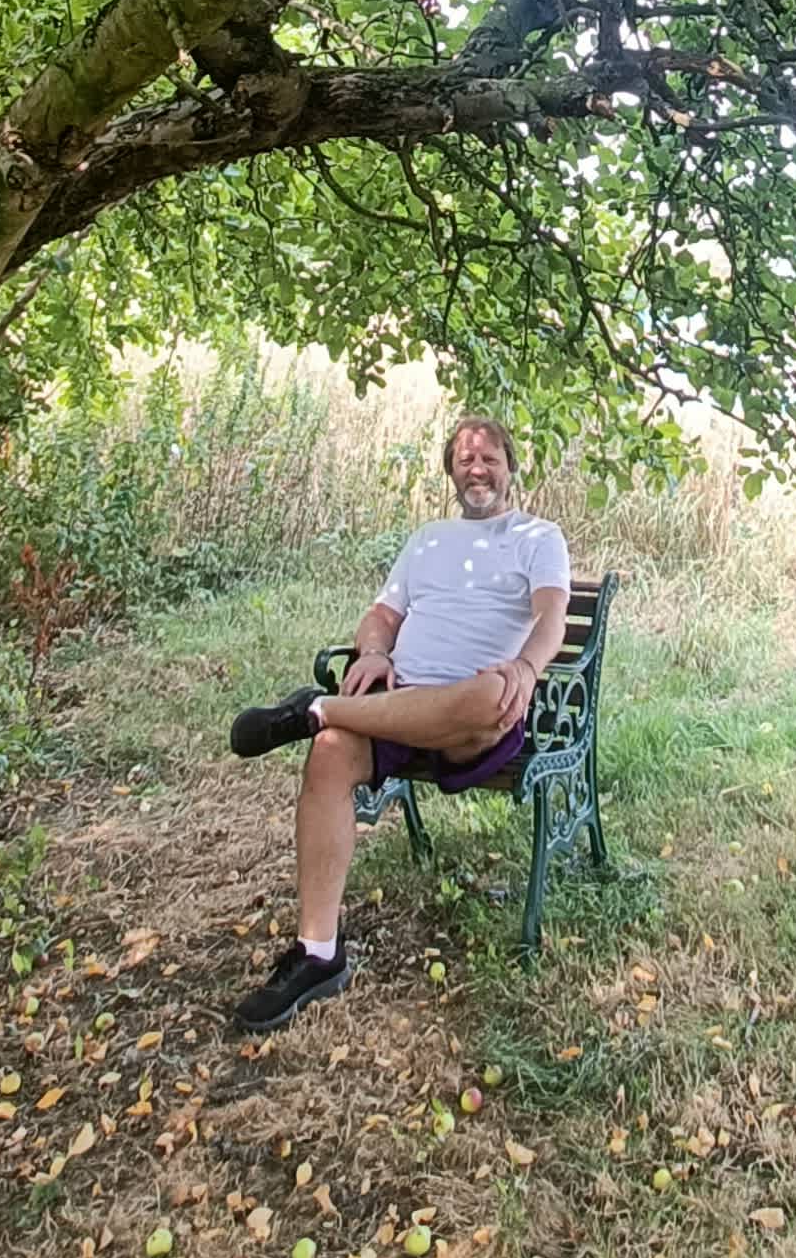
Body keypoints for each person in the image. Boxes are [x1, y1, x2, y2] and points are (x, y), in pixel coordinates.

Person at [223, 413, 569, 1030]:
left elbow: (552, 619)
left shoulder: (537, 537)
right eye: (464, 459)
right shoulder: (429, 540)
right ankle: (318, 954)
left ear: (512, 468)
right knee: (329, 753)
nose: (476, 467)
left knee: (491, 696)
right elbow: (381, 614)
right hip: (397, 700)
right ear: (451, 473)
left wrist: (525, 666)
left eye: (489, 457)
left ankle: (316, 709)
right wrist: (376, 652)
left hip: (472, 721)